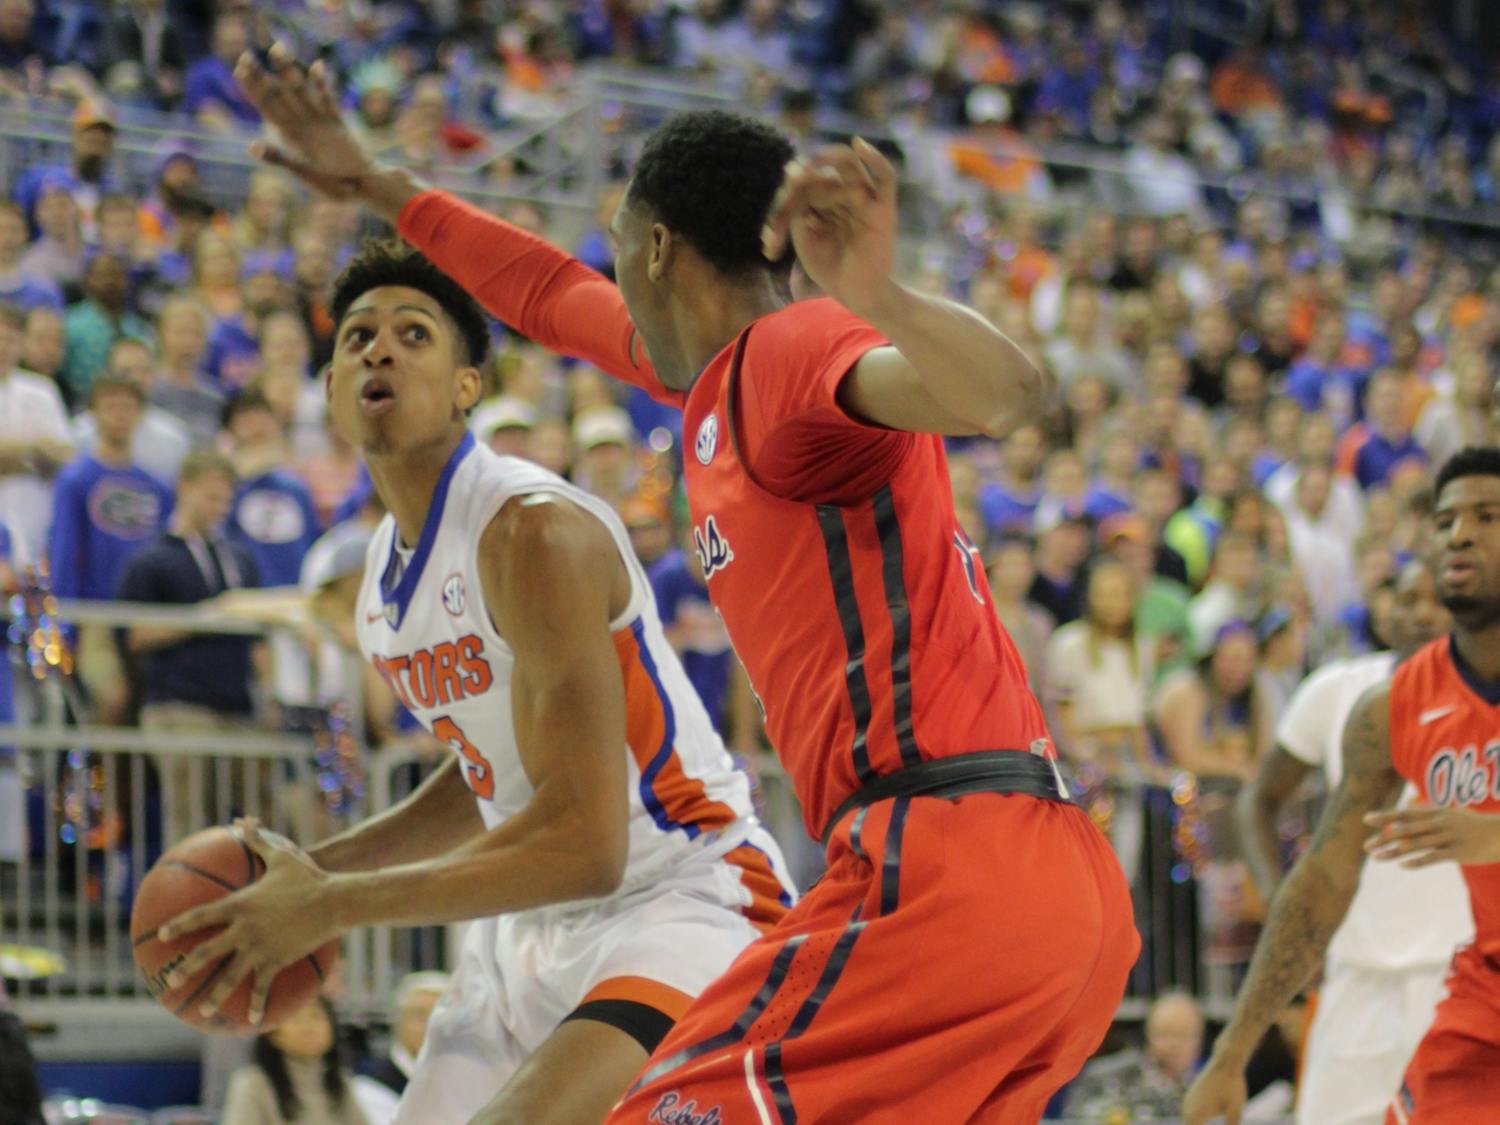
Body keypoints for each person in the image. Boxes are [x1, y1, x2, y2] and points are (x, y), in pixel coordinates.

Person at [232, 48, 1134, 1122]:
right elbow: (545, 291)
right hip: (1038, 884)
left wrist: (881, 293)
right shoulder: (716, 384)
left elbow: (1009, 396)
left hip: (938, 870)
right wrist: (379, 186)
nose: (605, 276)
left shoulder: (790, 354)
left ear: (656, 247)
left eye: (619, 248)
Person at [157, 240, 794, 1125]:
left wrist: (334, 903)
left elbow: (586, 843)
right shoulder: (380, 582)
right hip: (528, 924)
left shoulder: (533, 533)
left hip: (677, 892)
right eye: (356, 338)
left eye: (413, 334)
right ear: (333, 393)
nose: (378, 349)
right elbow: (491, 763)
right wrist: (313, 870)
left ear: (467, 387)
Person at [1186, 446, 1500, 1125]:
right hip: (1470, 991)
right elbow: (1324, 877)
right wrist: (1233, 1050)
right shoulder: (1392, 707)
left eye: (1487, 515)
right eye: (1446, 520)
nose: (1460, 534)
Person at [1237, 559, 1472, 1125]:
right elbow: (1258, 800)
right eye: (1404, 598)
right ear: (1382, 610)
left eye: (1434, 599)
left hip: (1460, 976)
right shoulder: (1338, 690)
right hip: (1355, 970)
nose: (1418, 612)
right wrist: (1274, 894)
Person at [117, 450, 261, 841]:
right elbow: (133, 634)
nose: (219, 508)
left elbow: (260, 637)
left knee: (254, 812)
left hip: (237, 704)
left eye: (225, 500)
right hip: (177, 703)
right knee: (188, 815)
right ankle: (183, 901)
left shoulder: (239, 558)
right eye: (211, 497)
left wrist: (269, 693)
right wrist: (205, 618)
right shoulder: (151, 560)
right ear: (185, 489)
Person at [47, 374, 172, 720]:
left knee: (146, 706)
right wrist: (65, 623)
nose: (120, 414)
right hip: (96, 615)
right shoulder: (76, 479)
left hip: (145, 615)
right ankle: (104, 775)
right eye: (110, 406)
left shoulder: (157, 486)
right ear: (95, 414)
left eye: (128, 406)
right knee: (111, 697)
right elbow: (64, 554)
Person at [0, 301, 74, 565]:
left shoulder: (41, 390)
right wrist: (35, 450)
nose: (4, 347)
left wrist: (12, 455)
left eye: (11, 339)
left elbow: (65, 456)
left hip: (34, 520)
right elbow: (45, 453)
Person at [223, 996, 369, 1125]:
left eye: (316, 1016)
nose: (308, 1027)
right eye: (295, 1018)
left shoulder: (340, 1082)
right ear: (271, 1032)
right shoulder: (253, 1084)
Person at [1063, 992, 1205, 1121]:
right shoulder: (1104, 1078)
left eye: (1184, 1035)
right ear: (1148, 1035)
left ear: (1199, 1042)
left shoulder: (1206, 1089)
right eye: (1166, 1034)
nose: (1174, 1044)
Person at [362, 972, 450, 1097]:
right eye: (420, 1015)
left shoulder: (467, 1079)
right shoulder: (371, 1085)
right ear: (398, 1022)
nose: (431, 1026)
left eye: (442, 1017)